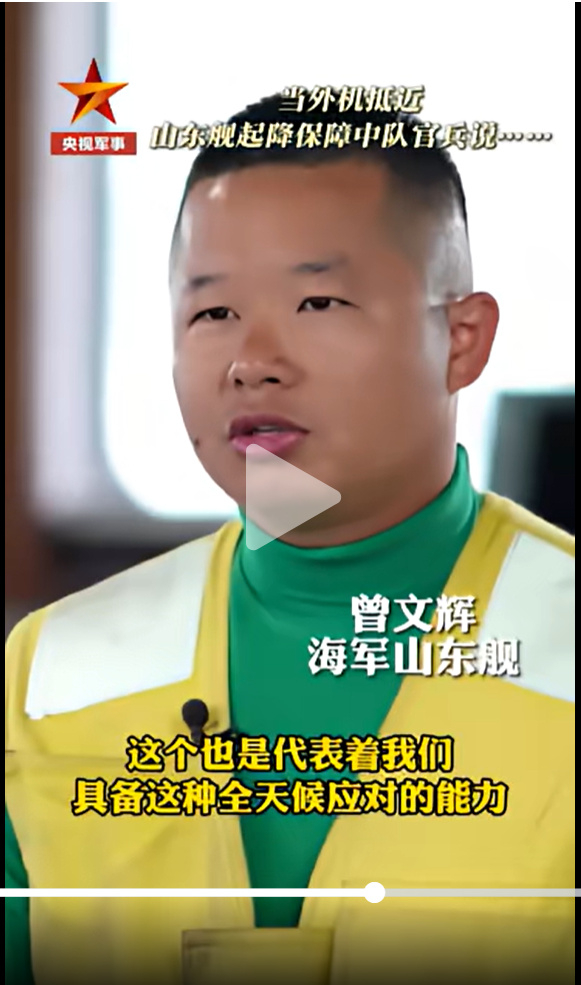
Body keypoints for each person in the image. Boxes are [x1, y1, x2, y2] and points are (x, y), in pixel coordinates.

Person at [5, 91, 574, 985]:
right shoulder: (51, 667)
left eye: (317, 301)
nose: (251, 360)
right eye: (211, 314)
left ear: (460, 340)